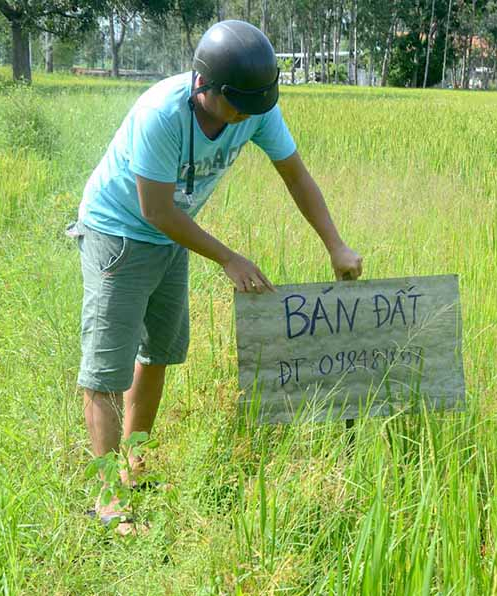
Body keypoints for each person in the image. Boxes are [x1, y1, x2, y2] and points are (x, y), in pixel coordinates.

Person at [70, 20, 362, 531]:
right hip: (119, 233)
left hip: (170, 236)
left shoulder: (255, 107)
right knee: (106, 371)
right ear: (204, 86)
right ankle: (108, 497)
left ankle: (134, 464)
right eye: (236, 108)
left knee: (158, 353)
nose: (245, 118)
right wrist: (229, 257)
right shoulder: (162, 114)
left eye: (254, 107)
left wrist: (335, 244)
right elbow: (156, 210)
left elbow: (296, 175)